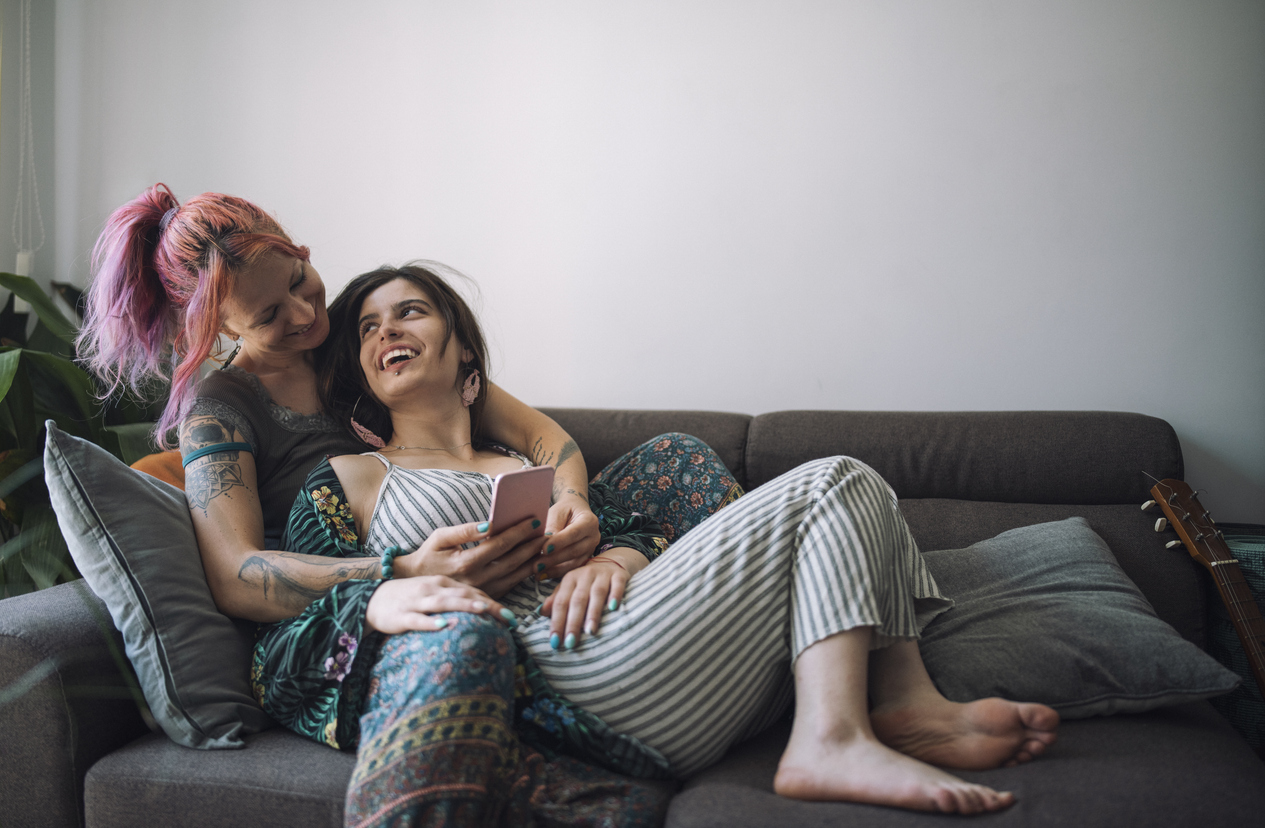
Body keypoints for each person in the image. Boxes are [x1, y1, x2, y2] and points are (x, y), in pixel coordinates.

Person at [261, 262, 1061, 826]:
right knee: (833, 480)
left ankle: (897, 703)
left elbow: (664, 523)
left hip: (656, 648)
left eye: (409, 312)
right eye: (368, 326)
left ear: (463, 347)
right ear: (364, 374)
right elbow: (278, 640)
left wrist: (615, 554)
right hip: (546, 669)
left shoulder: (530, 467)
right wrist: (383, 591)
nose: (386, 330)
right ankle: (832, 738)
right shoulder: (353, 478)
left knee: (856, 487)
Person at [76, 184, 603, 625]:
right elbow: (235, 577)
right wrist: (402, 572)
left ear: (298, 249)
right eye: (268, 317)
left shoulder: (366, 344)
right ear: (216, 333)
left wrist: (573, 500)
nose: (306, 314)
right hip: (371, 611)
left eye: (299, 281)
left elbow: (541, 438)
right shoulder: (219, 413)